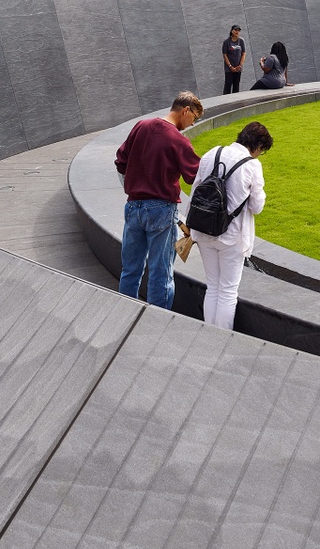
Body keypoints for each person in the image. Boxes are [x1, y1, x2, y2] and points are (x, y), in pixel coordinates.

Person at [114, 91, 203, 309]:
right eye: (194, 118)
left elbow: (120, 161)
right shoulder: (178, 140)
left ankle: (124, 313)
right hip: (161, 209)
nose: (192, 124)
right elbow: (195, 176)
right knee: (160, 273)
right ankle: (157, 325)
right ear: (185, 111)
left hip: (133, 206)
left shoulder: (141, 126)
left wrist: (137, 181)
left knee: (130, 269)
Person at [189, 121, 273, 330]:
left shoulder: (212, 153)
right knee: (227, 291)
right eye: (261, 151)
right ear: (257, 146)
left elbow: (195, 190)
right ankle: (222, 339)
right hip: (232, 235)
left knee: (213, 287)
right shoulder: (252, 165)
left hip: (203, 229)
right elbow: (257, 206)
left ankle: (209, 333)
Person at [222, 25, 247, 94]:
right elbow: (225, 55)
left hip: (238, 68)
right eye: (235, 30)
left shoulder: (241, 41)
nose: (237, 32)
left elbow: (243, 53)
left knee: (236, 85)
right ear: (231, 31)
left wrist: (240, 65)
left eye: (238, 30)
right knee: (228, 85)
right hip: (229, 68)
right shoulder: (226, 42)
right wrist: (230, 66)